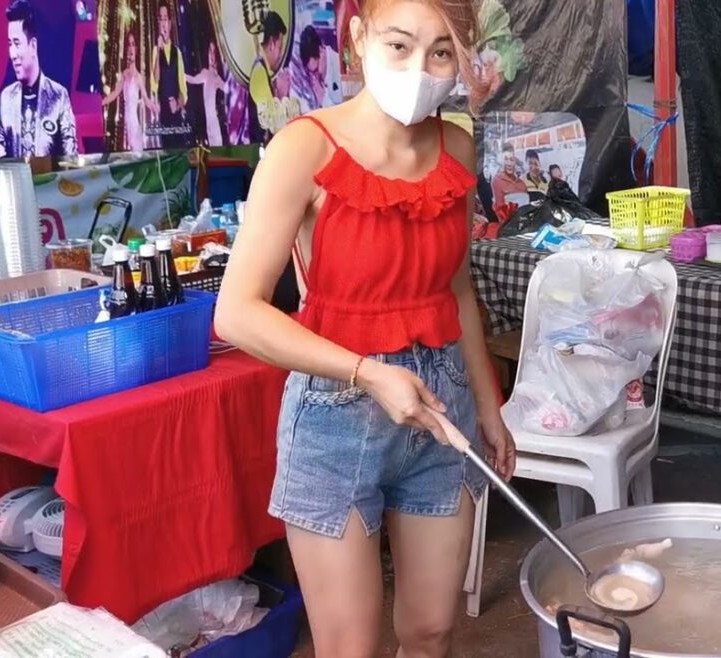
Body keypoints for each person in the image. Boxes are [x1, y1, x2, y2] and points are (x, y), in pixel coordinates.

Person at [214, 1, 513, 655]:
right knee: (350, 649)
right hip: (334, 414)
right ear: (358, 37)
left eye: (441, 53)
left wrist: (488, 406)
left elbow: (457, 289)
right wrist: (367, 371)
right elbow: (236, 311)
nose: (421, 68)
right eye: (400, 45)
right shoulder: (304, 147)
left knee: (430, 631)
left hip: (441, 412)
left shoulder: (456, 145)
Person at [0, 0, 78, 159]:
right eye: (9, 44)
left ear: (33, 46)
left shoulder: (58, 96)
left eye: (17, 43)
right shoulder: (6, 97)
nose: (12, 54)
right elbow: (1, 155)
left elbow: (71, 158)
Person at [101, 32, 150, 151]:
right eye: (128, 45)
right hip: (126, 125)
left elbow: (146, 99)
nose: (131, 48)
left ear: (137, 49)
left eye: (133, 44)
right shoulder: (124, 74)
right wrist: (100, 103)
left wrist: (156, 106)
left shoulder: (138, 77)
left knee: (137, 152)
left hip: (134, 124)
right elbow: (114, 94)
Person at [150, 0, 189, 148]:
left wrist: (178, 105)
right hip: (164, 115)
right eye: (161, 19)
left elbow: (183, 91)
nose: (164, 23)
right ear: (158, 23)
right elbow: (155, 81)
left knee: (179, 149)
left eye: (166, 19)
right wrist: (159, 50)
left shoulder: (177, 52)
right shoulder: (155, 51)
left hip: (176, 115)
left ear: (170, 23)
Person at [247, 11, 291, 139]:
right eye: (280, 47)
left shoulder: (264, 72)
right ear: (272, 44)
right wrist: (283, 96)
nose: (281, 54)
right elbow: (275, 126)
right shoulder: (259, 74)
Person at [185, 41, 225, 146]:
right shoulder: (205, 73)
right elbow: (193, 79)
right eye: (210, 51)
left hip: (214, 123)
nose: (211, 55)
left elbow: (227, 88)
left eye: (214, 52)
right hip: (208, 123)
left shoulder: (216, 77)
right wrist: (180, 74)